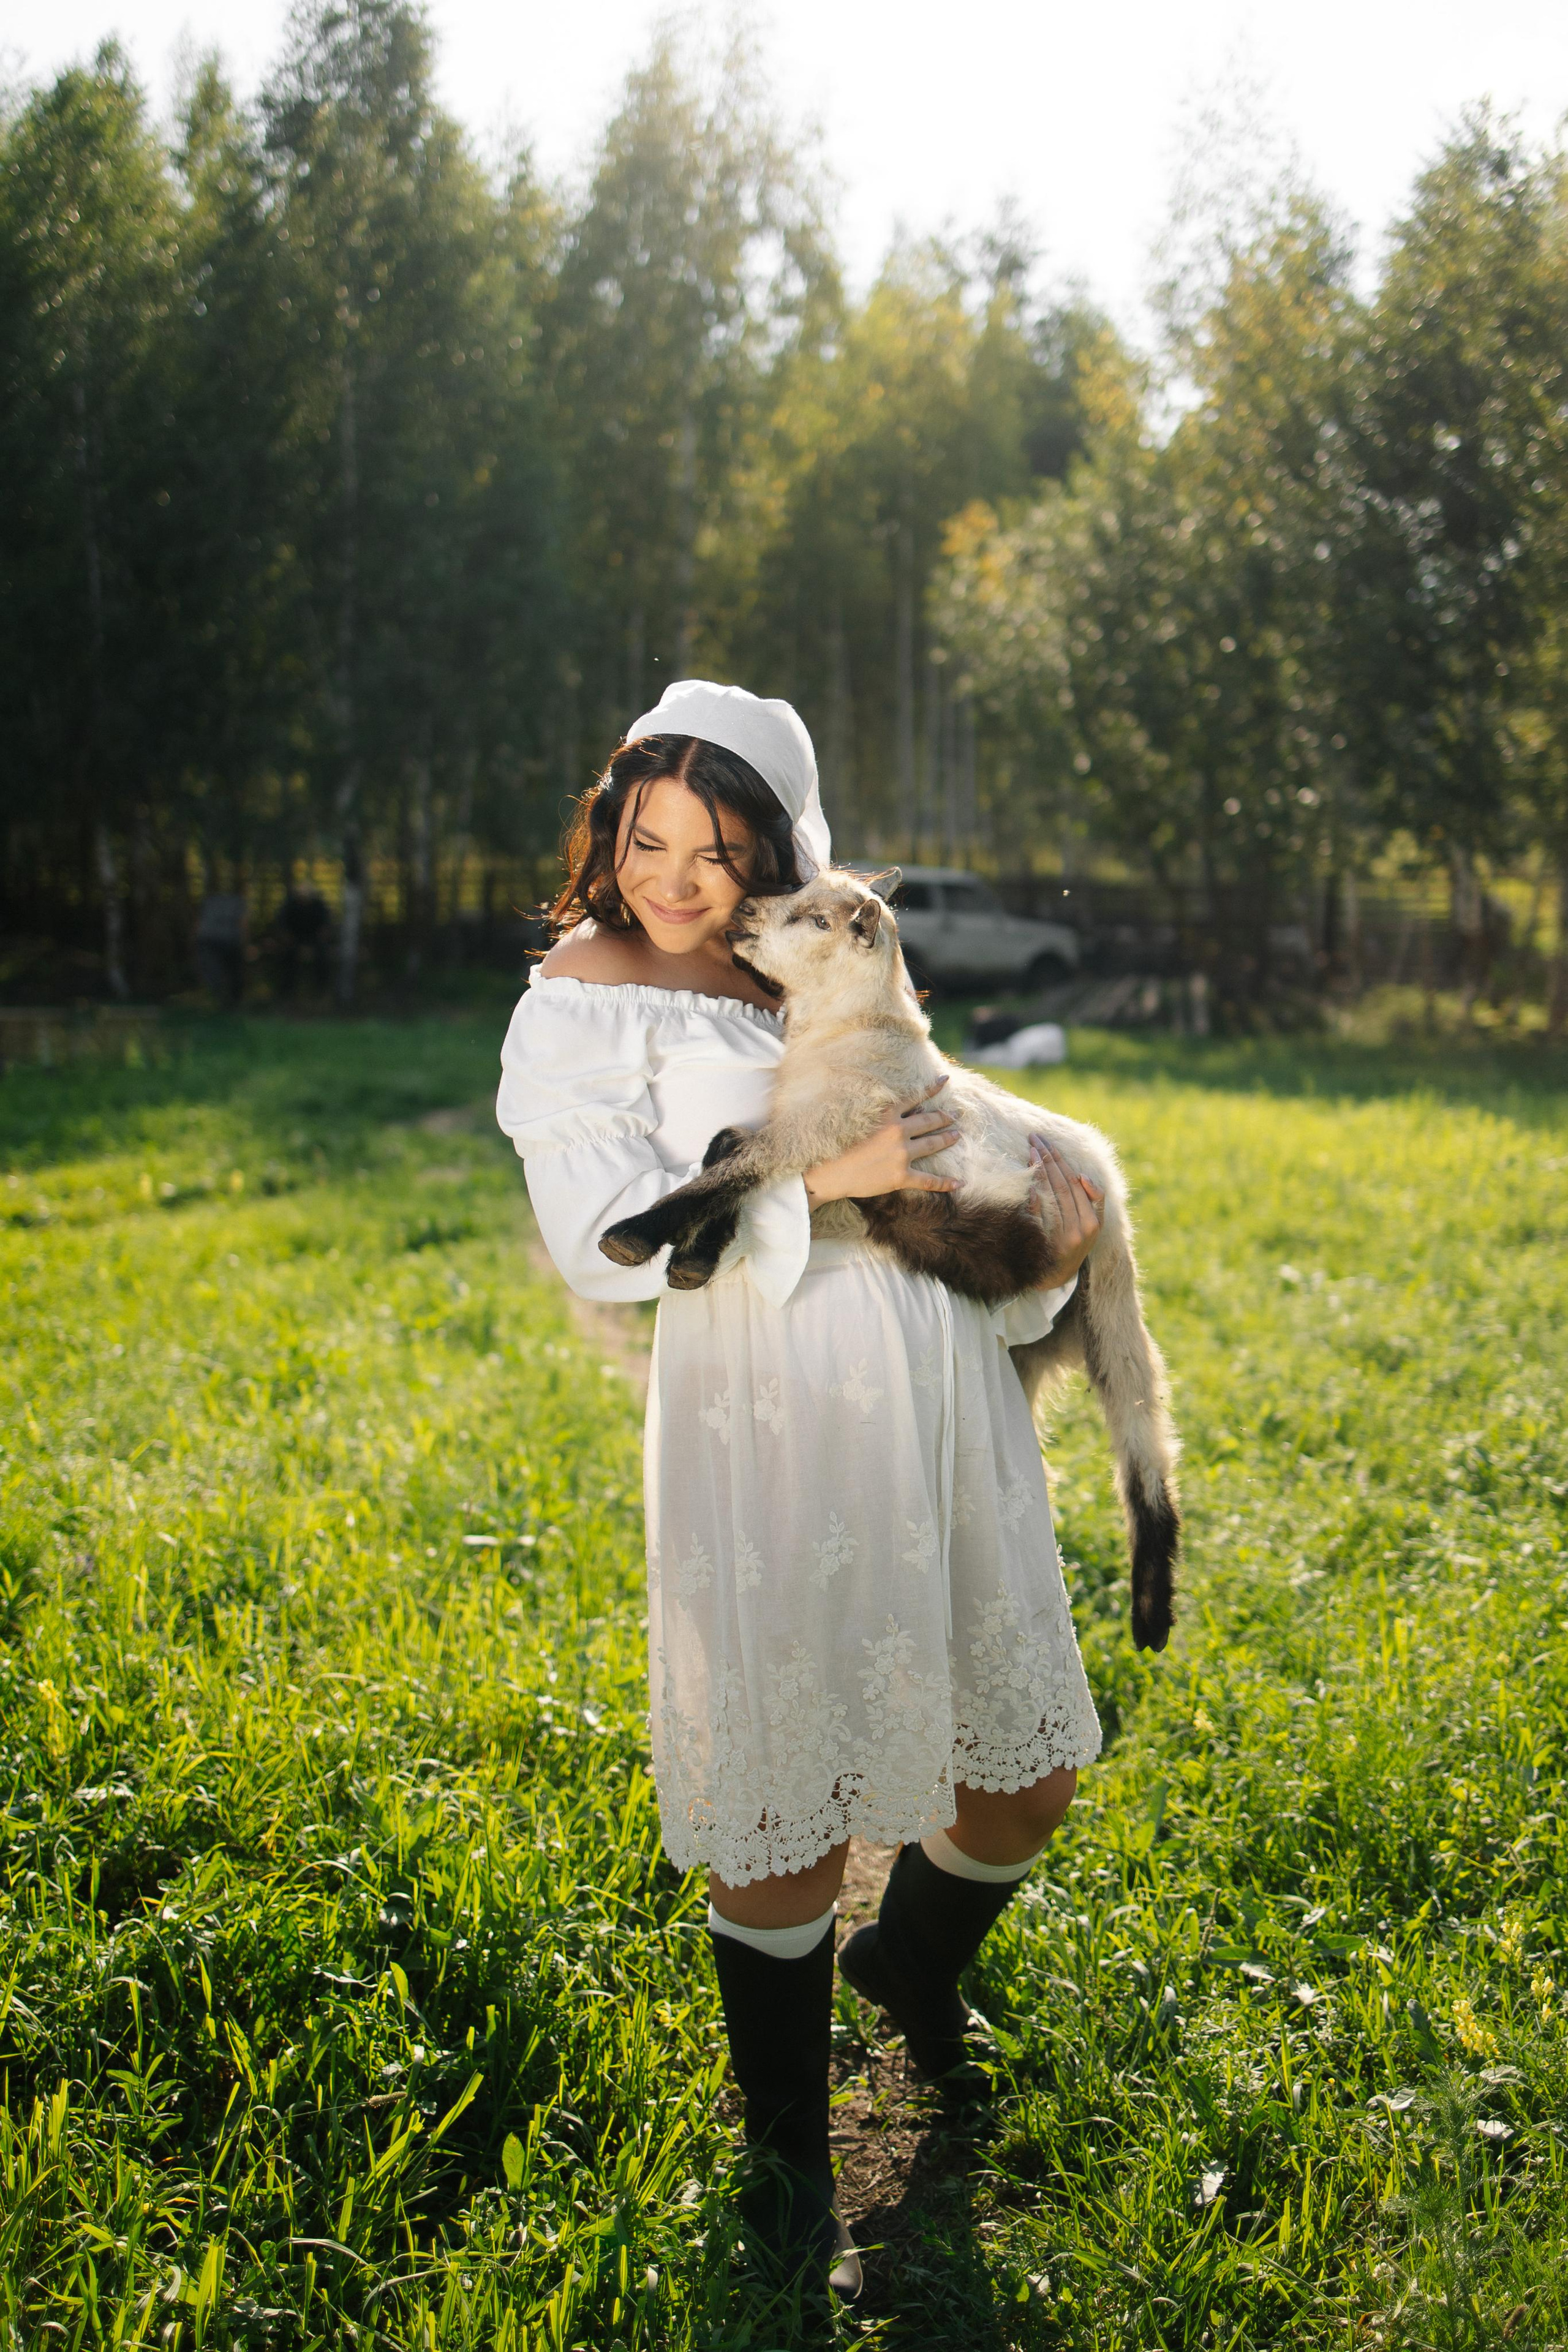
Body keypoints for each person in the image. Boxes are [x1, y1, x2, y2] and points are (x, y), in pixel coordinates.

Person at [496, 680, 1105, 2301]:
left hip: (937, 1383)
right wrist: (821, 1184)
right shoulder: (579, 1001)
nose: (674, 878)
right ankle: (783, 2141)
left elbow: (945, 1123)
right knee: (788, 1807)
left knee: (1021, 1774)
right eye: (645, 840)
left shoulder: (810, 965)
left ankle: (908, 1959)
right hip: (765, 1399)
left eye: (714, 847)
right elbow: (598, 1246)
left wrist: (1050, 1215)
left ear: (773, 852)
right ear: (608, 838)